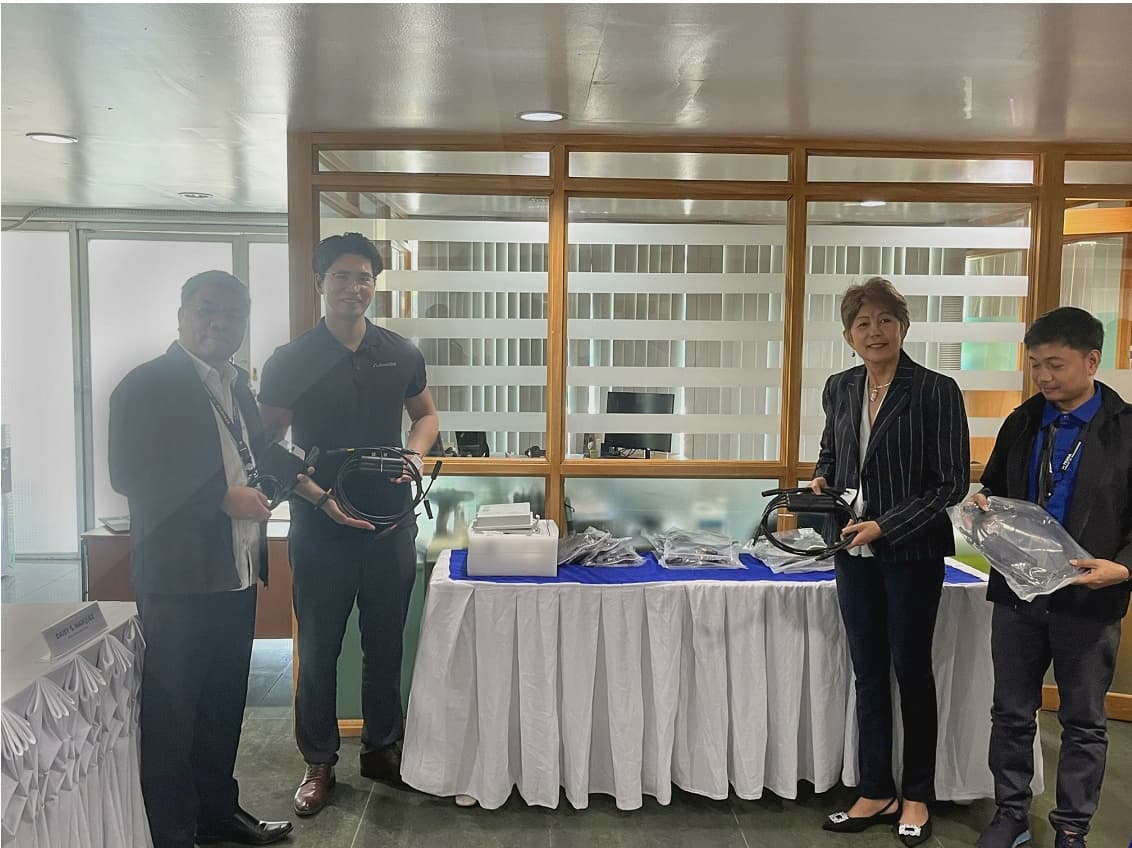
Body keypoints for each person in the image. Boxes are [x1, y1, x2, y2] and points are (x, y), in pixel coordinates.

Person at [108, 271, 293, 847]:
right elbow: (130, 473)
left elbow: (257, 455)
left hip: (236, 572)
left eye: (233, 314)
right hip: (179, 579)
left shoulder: (236, 385)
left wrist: (318, 486)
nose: (219, 323)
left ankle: (218, 813)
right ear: (182, 314)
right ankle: (173, 831)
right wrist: (221, 498)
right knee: (173, 713)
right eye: (207, 310)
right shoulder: (146, 385)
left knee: (222, 706)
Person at [258, 232, 440, 817]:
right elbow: (265, 442)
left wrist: (414, 454)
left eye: (363, 277)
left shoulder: (400, 352)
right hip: (321, 525)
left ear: (374, 285)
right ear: (320, 282)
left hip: (389, 522)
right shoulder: (291, 359)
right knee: (319, 649)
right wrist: (315, 497)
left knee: (386, 643)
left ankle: (383, 749)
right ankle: (319, 762)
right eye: (341, 276)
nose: (353, 287)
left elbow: (426, 416)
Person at [810, 277, 970, 847]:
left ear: (903, 327)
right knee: (868, 671)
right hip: (851, 550)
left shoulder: (934, 390)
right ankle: (876, 789)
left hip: (911, 553)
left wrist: (886, 526)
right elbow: (832, 452)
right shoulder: (840, 387)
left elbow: (950, 483)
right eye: (862, 323)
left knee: (911, 670)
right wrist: (821, 480)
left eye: (884, 320)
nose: (874, 331)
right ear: (848, 336)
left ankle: (918, 793)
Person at [972, 307, 1131, 848]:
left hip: (1090, 597)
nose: (1043, 376)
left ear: (1092, 360)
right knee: (1011, 713)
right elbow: (994, 487)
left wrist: (1123, 568)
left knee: (1084, 721)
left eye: (1055, 365)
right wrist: (983, 508)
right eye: (1036, 364)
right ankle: (1010, 813)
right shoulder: (1023, 421)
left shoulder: (1125, 430)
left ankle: (1071, 827)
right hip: (1019, 593)